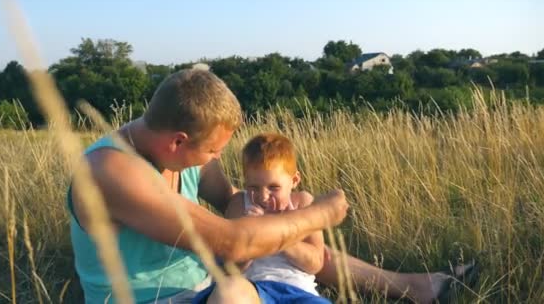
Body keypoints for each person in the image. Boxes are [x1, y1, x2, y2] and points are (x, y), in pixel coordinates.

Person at [68, 68, 476, 304]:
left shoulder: (178, 154)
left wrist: (287, 216)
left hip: (208, 289)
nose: (215, 160)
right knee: (236, 288)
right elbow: (231, 241)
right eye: (212, 151)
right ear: (177, 140)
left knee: (277, 247)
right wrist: (320, 213)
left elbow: (234, 203)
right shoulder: (110, 171)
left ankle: (417, 287)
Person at [200, 132, 331, 303]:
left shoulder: (303, 204)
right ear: (245, 181)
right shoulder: (240, 204)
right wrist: (253, 235)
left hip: (298, 292)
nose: (263, 196)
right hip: (254, 290)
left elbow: (315, 263)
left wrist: (279, 234)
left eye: (274, 187)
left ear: (294, 180)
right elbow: (230, 268)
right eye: (253, 187)